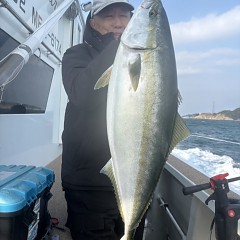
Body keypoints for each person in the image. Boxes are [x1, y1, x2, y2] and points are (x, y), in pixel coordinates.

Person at [61, 0, 134, 239]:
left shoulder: (139, 60)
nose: (118, 23)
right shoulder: (76, 55)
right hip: (88, 181)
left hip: (130, 182)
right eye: (109, 16)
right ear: (93, 23)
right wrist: (119, 46)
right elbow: (82, 95)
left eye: (123, 16)